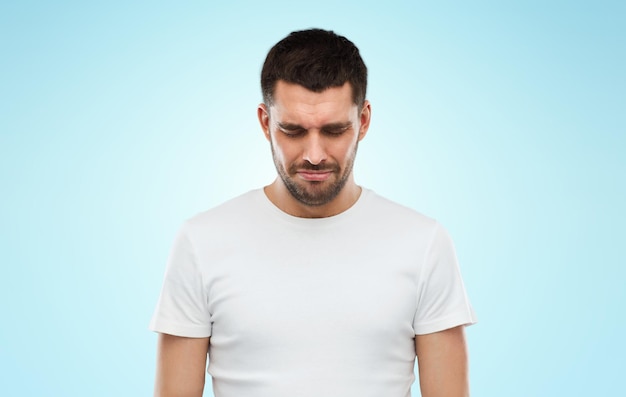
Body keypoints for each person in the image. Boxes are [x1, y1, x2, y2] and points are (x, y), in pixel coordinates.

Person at [150, 28, 476, 397]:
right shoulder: (201, 241)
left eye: (335, 130)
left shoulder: (424, 243)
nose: (315, 154)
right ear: (265, 122)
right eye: (293, 130)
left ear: (364, 122)